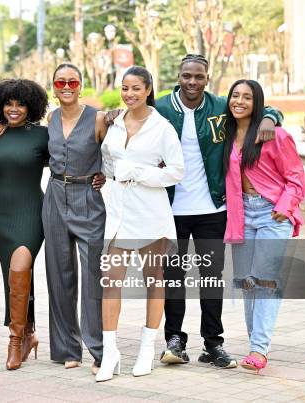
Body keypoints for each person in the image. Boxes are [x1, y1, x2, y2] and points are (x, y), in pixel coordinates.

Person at [154, 54, 284, 368]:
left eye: (199, 77)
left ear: (207, 78)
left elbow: (261, 107)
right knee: (174, 276)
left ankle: (213, 343)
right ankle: (175, 340)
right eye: (187, 76)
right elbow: (130, 117)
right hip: (171, 209)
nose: (192, 82)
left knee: (211, 278)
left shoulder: (219, 106)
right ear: (179, 75)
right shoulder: (160, 108)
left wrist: (270, 118)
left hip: (212, 208)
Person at [95, 66, 184, 382]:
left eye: (135, 88)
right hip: (118, 212)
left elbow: (176, 171)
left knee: (153, 277)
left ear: (148, 89)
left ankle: (147, 348)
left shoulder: (162, 128)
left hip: (150, 212)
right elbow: (108, 161)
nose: (129, 94)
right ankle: (111, 353)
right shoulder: (115, 123)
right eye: (125, 88)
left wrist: (139, 172)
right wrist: (106, 178)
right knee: (111, 279)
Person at [222, 79, 305, 372]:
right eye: (235, 95)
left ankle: (259, 348)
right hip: (241, 215)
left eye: (247, 97)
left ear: (257, 103)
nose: (240, 101)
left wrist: (285, 207)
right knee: (248, 283)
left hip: (272, 214)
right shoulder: (226, 132)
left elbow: (296, 178)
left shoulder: (275, 135)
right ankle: (254, 345)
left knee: (265, 282)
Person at [43, 63, 107, 373]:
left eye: (72, 81)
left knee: (93, 276)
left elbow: (116, 153)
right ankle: (68, 349)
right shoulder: (50, 118)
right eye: (60, 82)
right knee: (59, 275)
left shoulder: (97, 118)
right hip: (55, 195)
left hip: (88, 198)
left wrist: (104, 175)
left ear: (80, 85)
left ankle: (98, 350)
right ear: (53, 86)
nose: (66, 86)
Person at [0, 79, 49, 370]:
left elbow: (73, 155)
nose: (14, 109)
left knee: (20, 268)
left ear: (31, 106)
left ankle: (14, 340)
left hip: (32, 211)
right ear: (0, 106)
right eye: (8, 103)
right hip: (1, 214)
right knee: (12, 278)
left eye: (20, 103)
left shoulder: (42, 135)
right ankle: (28, 335)